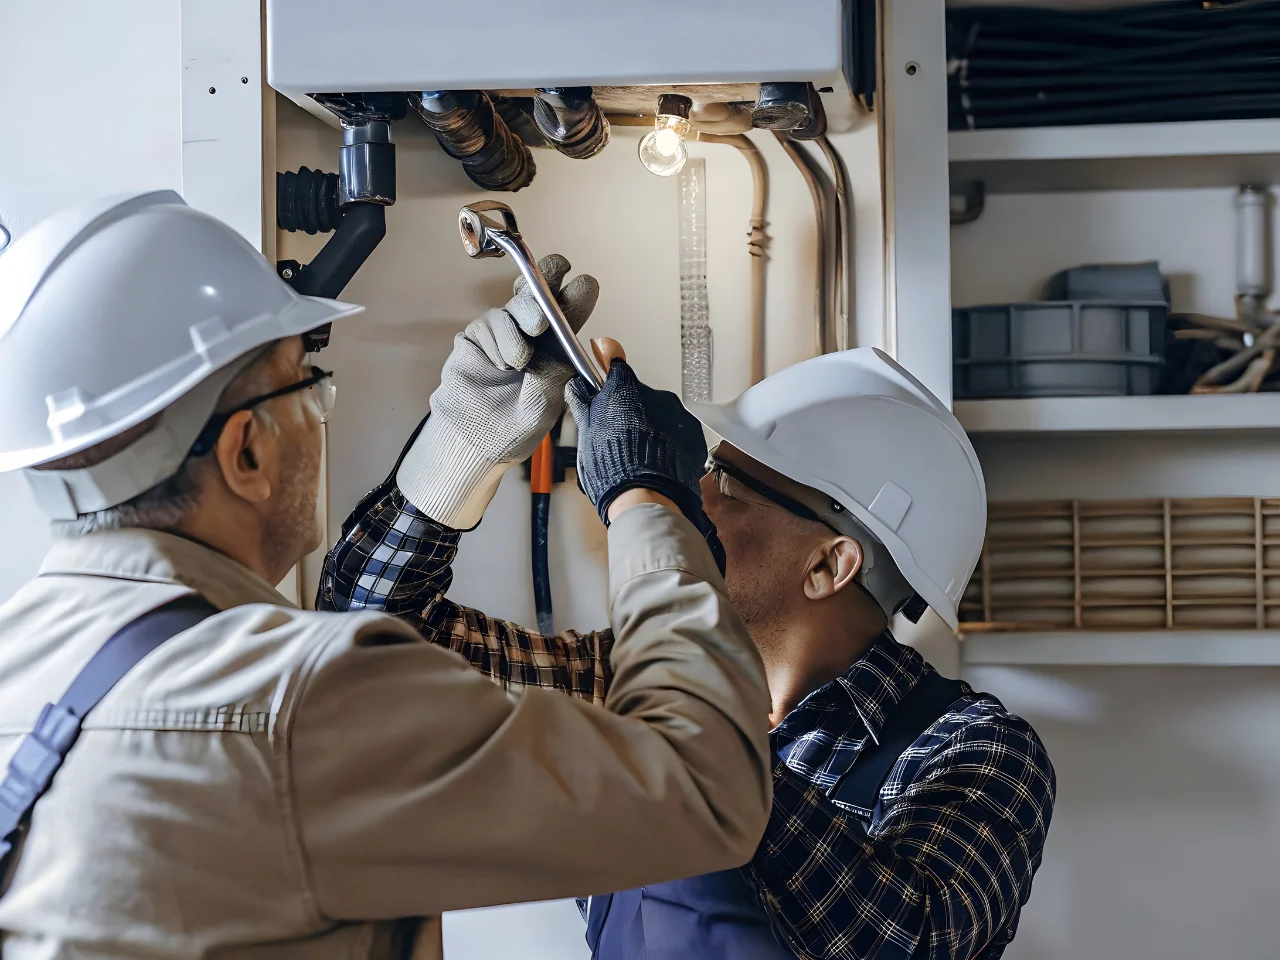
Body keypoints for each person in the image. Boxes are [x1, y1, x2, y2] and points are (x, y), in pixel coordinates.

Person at [0, 191, 774, 957]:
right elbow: (702, 792)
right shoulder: (293, 702)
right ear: (245, 452)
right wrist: (648, 496)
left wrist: (459, 453)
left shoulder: (23, 667)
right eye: (310, 383)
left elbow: (363, 631)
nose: (320, 411)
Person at [323, 347, 1057, 959]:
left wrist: (646, 507)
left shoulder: (977, 750)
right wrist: (459, 453)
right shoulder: (624, 680)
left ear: (830, 566)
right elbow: (361, 659)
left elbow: (907, 943)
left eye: (728, 486)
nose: (693, 495)